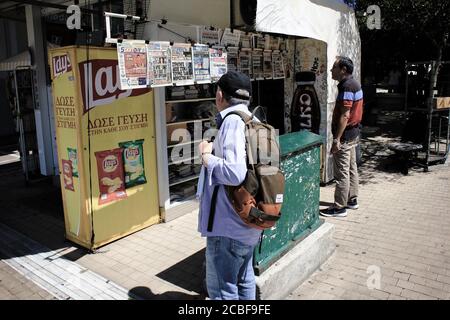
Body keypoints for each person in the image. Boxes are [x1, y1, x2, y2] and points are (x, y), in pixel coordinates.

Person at [197, 71, 262, 300]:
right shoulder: (253, 120)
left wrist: (206, 156)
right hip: (248, 223)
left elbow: (235, 173)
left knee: (223, 292)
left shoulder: (232, 121)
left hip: (228, 227)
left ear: (220, 94)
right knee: (245, 281)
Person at [321, 56, 363, 218]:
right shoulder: (354, 84)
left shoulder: (347, 87)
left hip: (345, 135)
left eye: (334, 67)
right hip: (354, 133)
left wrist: (336, 139)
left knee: (342, 172)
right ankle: (352, 199)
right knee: (351, 168)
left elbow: (345, 116)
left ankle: (339, 207)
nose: (331, 70)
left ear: (343, 70)